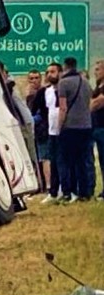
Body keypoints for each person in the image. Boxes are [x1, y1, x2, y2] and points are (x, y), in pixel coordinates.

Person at [57, 57, 93, 203]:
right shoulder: (85, 82)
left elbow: (63, 107)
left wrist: (60, 125)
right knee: (83, 160)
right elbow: (88, 103)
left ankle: (71, 191)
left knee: (68, 160)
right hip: (86, 125)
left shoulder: (63, 83)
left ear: (65, 67)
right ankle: (85, 192)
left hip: (70, 126)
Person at [40, 63, 63, 204]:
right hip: (52, 131)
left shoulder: (64, 89)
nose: (50, 74)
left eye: (53, 71)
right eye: (48, 72)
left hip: (64, 130)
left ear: (60, 73)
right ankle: (53, 191)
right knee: (53, 161)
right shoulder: (46, 91)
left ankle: (65, 189)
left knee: (64, 162)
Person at [90, 59, 104, 201]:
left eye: (98, 69)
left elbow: (96, 104)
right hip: (96, 127)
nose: (95, 72)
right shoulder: (97, 87)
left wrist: (92, 103)